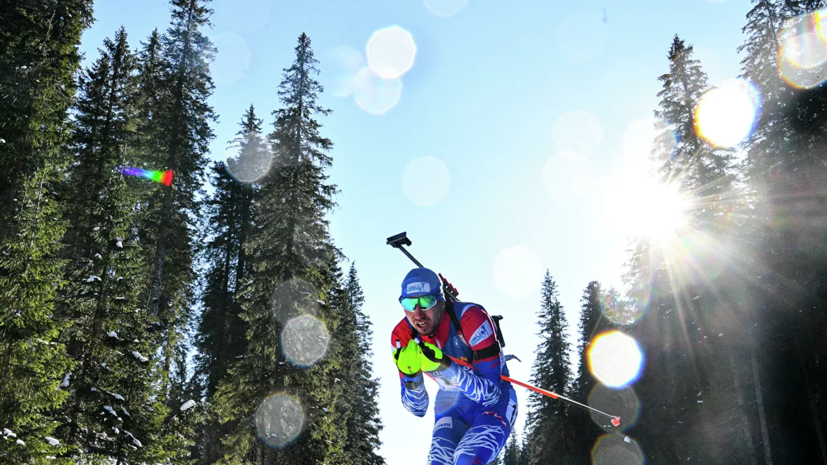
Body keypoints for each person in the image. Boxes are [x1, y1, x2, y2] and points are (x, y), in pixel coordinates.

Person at [391, 267, 518, 465]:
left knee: (467, 459)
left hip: (496, 402)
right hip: (450, 404)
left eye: (425, 302)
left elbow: (491, 394)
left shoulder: (471, 318)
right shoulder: (402, 337)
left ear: (441, 302)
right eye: (409, 303)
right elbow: (418, 409)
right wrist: (411, 376)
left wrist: (446, 366)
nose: (418, 314)